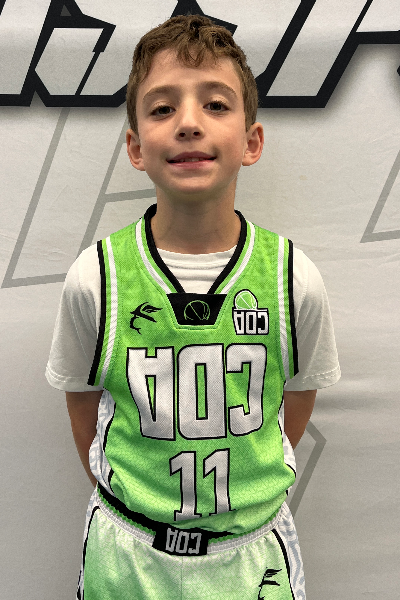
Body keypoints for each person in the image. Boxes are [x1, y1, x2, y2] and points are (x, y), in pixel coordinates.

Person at [46, 14, 340, 600]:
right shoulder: (96, 278)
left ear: (251, 142)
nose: (188, 123)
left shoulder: (293, 278)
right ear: (136, 147)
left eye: (215, 104)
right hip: (128, 551)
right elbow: (83, 403)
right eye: (162, 108)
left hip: (250, 554)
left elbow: (296, 398)